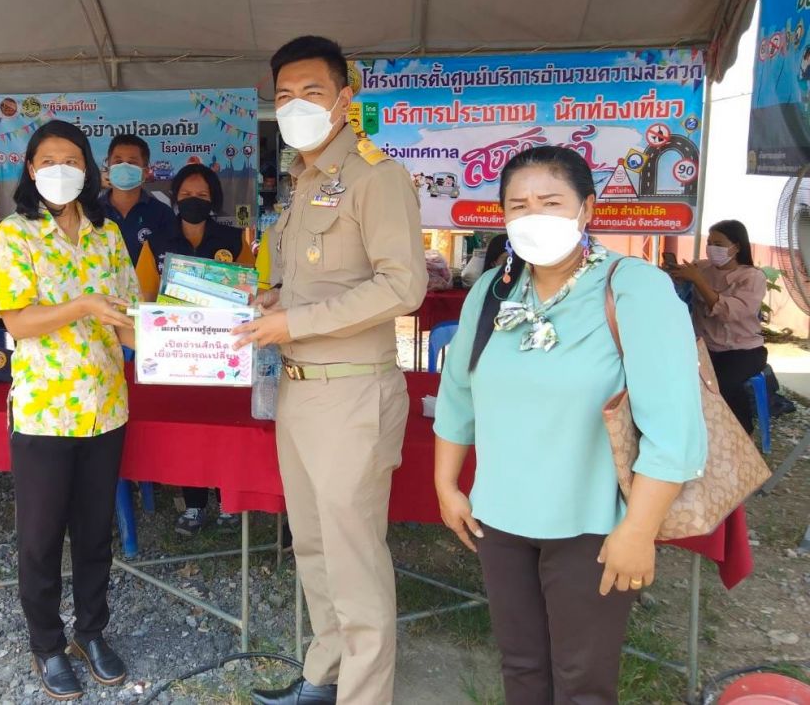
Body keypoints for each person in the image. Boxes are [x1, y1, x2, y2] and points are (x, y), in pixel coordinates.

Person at [434, 146, 707, 705]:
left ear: (587, 208)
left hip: (593, 526)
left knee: (582, 682)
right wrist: (446, 485)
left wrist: (638, 530)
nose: (533, 215)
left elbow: (673, 427)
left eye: (551, 202)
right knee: (521, 667)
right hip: (499, 519)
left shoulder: (633, 288)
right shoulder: (492, 291)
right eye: (518, 205)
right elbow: (458, 394)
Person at [232, 36, 427, 705]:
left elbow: (403, 287)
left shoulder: (376, 177)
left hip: (352, 392)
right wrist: (274, 303)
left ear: (345, 99)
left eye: (311, 92)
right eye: (284, 95)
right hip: (298, 391)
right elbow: (311, 287)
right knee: (313, 547)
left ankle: (364, 696)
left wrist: (294, 323)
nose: (296, 105)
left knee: (354, 556)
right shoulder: (303, 182)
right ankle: (326, 678)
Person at [0, 119, 139, 700]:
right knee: (41, 535)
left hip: (106, 405)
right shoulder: (14, 234)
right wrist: (82, 306)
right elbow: (17, 321)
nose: (61, 169)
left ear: (88, 168)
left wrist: (191, 341)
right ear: (30, 169)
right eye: (49, 160)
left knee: (95, 531)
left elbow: (127, 319)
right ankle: (47, 643)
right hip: (45, 410)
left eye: (72, 160)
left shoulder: (107, 234)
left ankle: (91, 633)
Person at [136, 163, 255, 536]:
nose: (193, 200)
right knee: (188, 429)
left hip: (223, 355)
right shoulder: (156, 242)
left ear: (214, 200)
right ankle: (194, 503)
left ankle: (228, 502)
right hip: (177, 354)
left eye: (202, 195)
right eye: (186, 195)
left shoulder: (234, 240)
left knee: (225, 428)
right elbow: (145, 298)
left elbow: (248, 294)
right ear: (175, 198)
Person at [670, 219, 769, 435]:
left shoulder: (752, 277)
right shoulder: (702, 267)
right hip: (705, 348)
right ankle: (696, 433)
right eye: (710, 242)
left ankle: (741, 435)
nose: (712, 248)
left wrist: (698, 281)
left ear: (736, 247)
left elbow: (728, 313)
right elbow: (679, 284)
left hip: (743, 351)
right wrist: (674, 274)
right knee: (676, 379)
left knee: (722, 384)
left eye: (719, 244)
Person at [100, 133, 176, 265]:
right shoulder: (91, 211)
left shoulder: (162, 214)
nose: (124, 167)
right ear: (109, 168)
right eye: (118, 162)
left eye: (132, 163)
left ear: (145, 172)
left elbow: (168, 264)